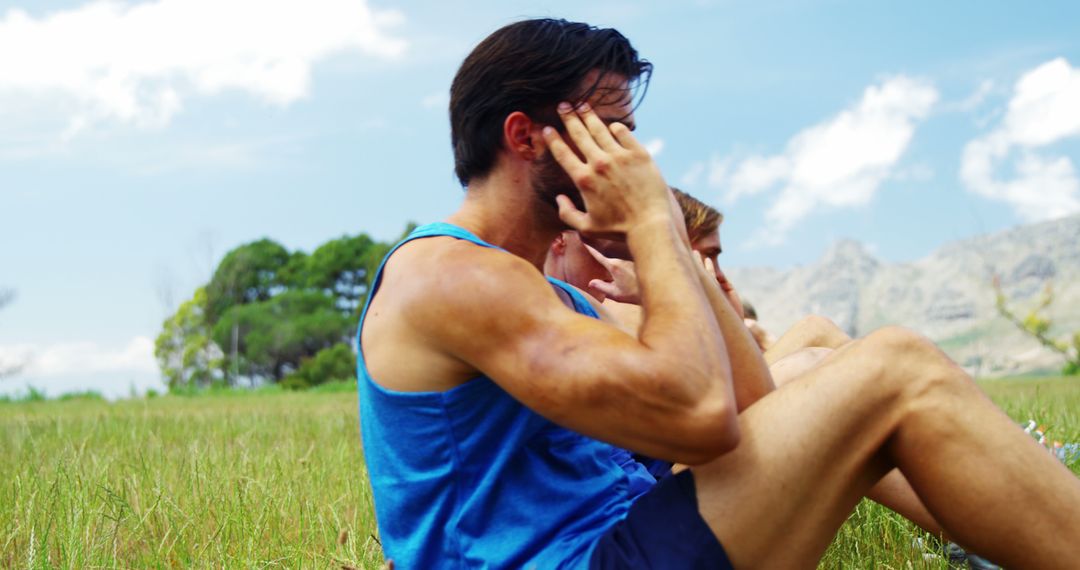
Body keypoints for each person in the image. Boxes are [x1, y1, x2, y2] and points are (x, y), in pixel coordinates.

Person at [356, 18, 1080, 569]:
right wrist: (652, 225)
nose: (634, 159)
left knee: (817, 372)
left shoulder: (548, 295)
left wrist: (675, 260)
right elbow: (701, 419)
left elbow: (755, 404)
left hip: (617, 537)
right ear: (525, 136)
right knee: (897, 369)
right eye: (610, 133)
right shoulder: (452, 276)